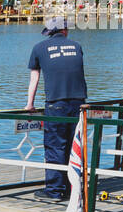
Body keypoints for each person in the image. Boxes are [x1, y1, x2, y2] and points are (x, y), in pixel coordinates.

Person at [25, 15, 87, 200]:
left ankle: (54, 190)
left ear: (49, 33)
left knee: (54, 146)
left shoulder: (39, 48)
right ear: (65, 31)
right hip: (79, 103)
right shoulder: (76, 46)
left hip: (55, 103)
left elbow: (34, 79)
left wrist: (30, 105)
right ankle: (71, 187)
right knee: (72, 145)